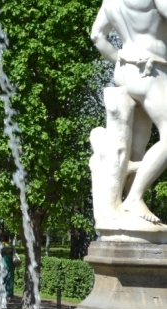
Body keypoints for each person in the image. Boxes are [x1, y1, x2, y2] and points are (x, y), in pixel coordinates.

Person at [91, 0, 167, 223]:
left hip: (125, 70)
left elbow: (97, 36)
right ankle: (134, 197)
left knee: (137, 144)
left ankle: (131, 205)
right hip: (151, 70)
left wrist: (124, 62)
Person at [0, 233, 19, 299]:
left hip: (3, 266)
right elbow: (14, 254)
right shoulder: (11, 246)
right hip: (11, 266)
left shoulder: (1, 246)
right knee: (10, 281)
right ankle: (9, 296)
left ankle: (2, 295)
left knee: (2, 281)